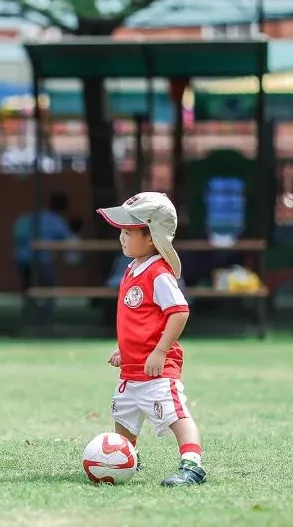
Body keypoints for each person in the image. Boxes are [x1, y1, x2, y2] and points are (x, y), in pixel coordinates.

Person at [97, 192, 206, 487]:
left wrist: (159, 351)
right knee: (123, 419)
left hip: (157, 369)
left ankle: (193, 465)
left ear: (151, 236)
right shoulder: (132, 269)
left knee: (176, 417)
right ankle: (126, 457)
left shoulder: (158, 274)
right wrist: (123, 348)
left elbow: (179, 312)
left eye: (129, 231)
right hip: (131, 370)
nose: (122, 237)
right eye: (121, 230)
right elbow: (136, 319)